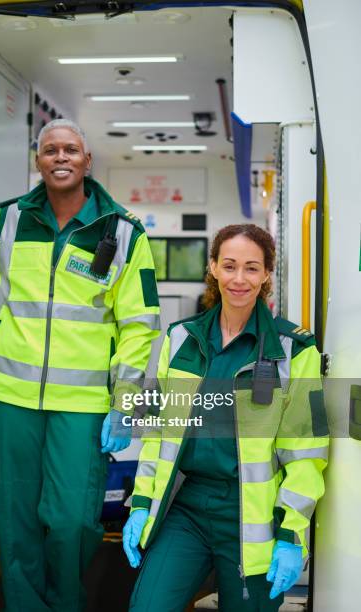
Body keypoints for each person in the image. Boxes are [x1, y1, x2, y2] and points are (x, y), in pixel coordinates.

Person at [0, 119, 160, 611]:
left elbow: (140, 324)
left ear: (88, 162)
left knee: (72, 519)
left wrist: (124, 403)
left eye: (71, 150)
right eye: (50, 150)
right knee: (18, 516)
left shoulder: (124, 233)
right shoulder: (10, 221)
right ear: (38, 161)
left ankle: (65, 602)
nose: (60, 157)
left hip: (84, 404)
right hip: (11, 397)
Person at [122, 224, 329, 611]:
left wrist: (290, 533)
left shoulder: (294, 350)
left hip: (252, 515)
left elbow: (306, 453)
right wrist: (139, 503)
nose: (239, 278)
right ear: (213, 267)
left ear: (267, 275)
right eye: (229, 265)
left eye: (252, 268)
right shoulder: (181, 339)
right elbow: (158, 434)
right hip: (188, 508)